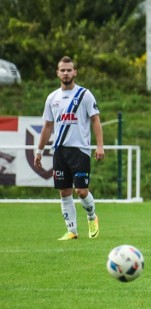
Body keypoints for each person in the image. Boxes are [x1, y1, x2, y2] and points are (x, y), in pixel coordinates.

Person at [34, 56, 104, 240]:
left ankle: (91, 217)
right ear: (58, 73)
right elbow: (48, 126)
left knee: (81, 191)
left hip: (80, 150)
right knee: (64, 191)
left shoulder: (84, 95)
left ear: (75, 72)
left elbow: (95, 120)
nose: (66, 73)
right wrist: (39, 151)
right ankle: (72, 231)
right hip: (59, 150)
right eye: (62, 70)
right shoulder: (52, 98)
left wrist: (99, 146)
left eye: (69, 70)